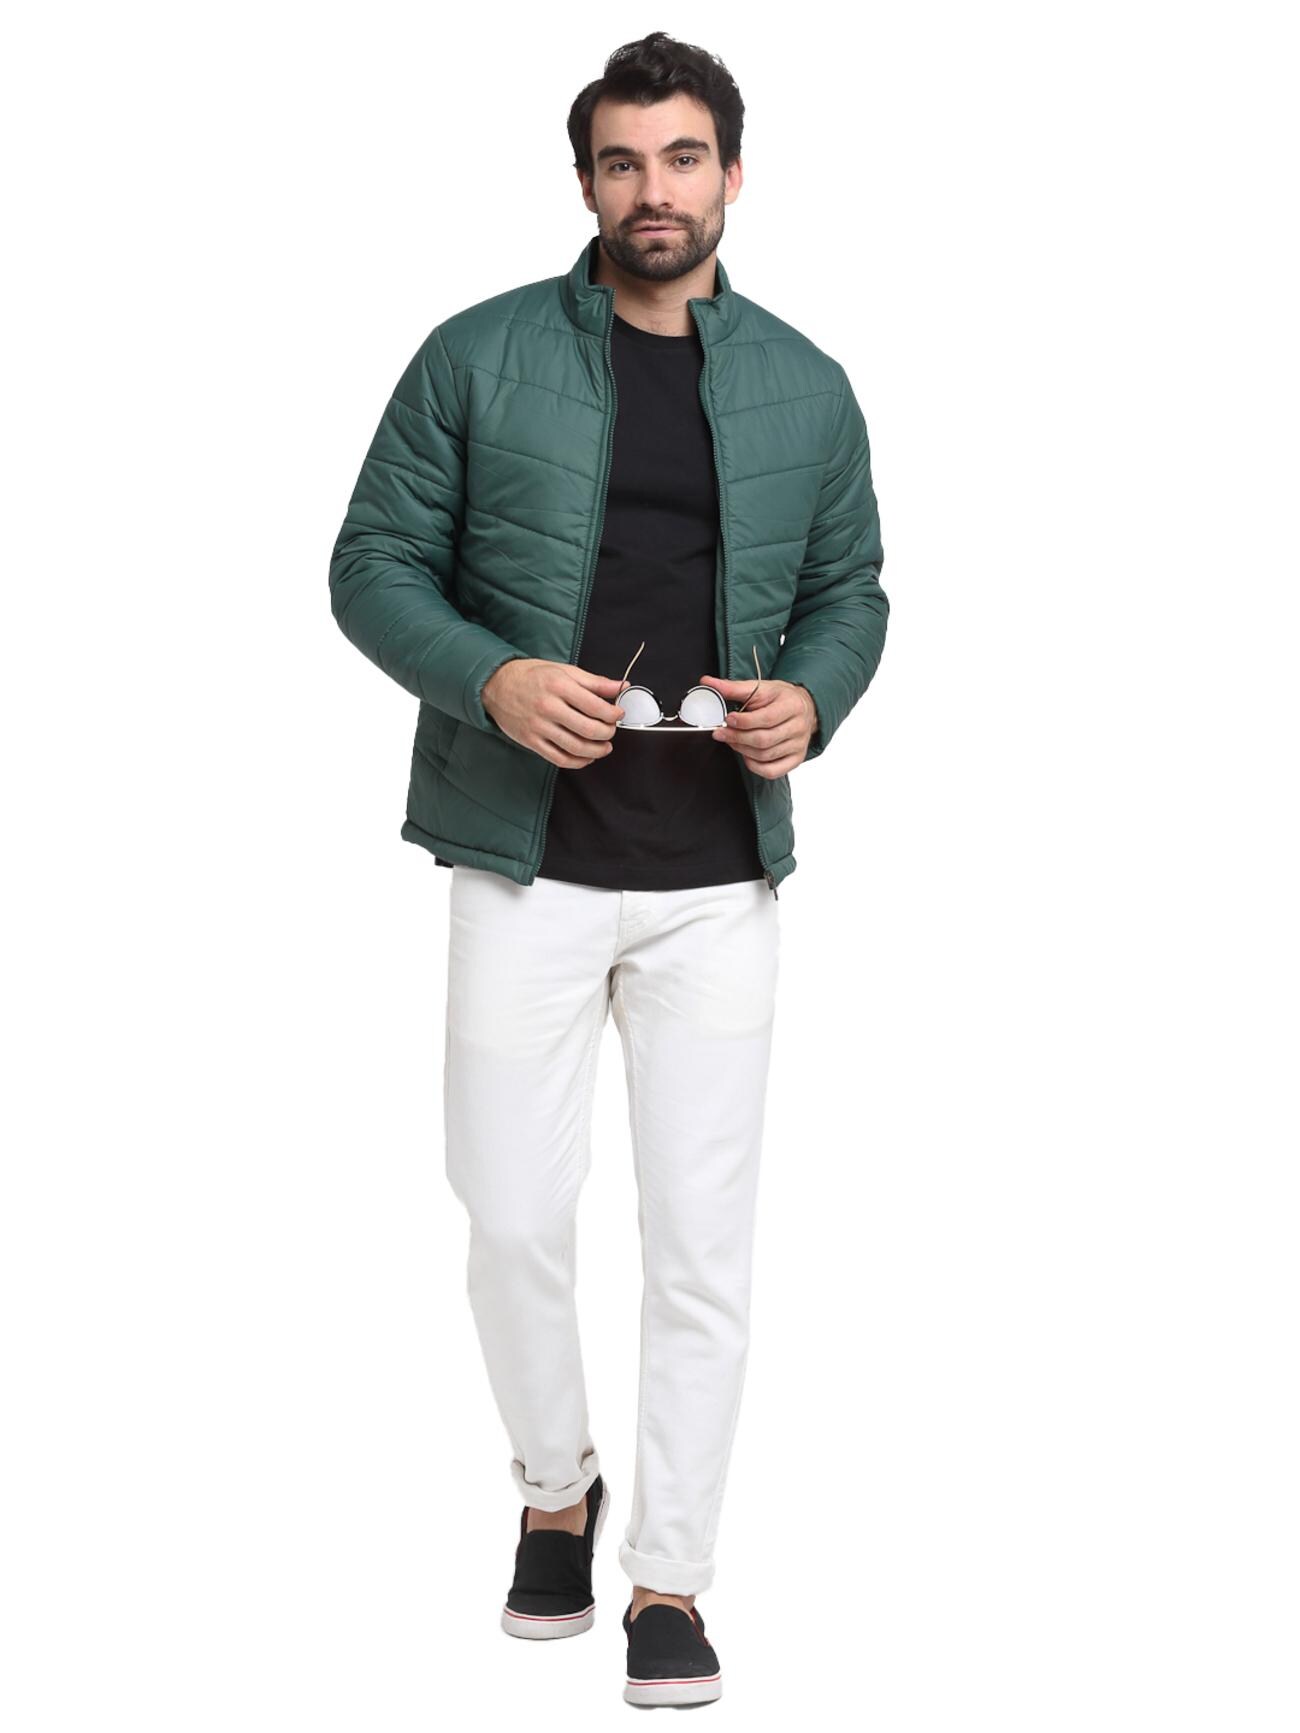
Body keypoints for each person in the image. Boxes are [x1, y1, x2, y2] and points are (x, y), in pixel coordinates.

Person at [328, 30, 888, 1708]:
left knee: (703, 1244)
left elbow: (853, 588)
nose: (657, 189)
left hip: (720, 873)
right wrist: (490, 676)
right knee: (510, 1214)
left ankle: (670, 1580)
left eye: (684, 157)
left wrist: (815, 696)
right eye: (625, 161)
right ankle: (554, 1487)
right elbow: (371, 563)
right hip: (526, 857)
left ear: (734, 174)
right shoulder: (477, 356)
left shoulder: (807, 383)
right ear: (585, 182)